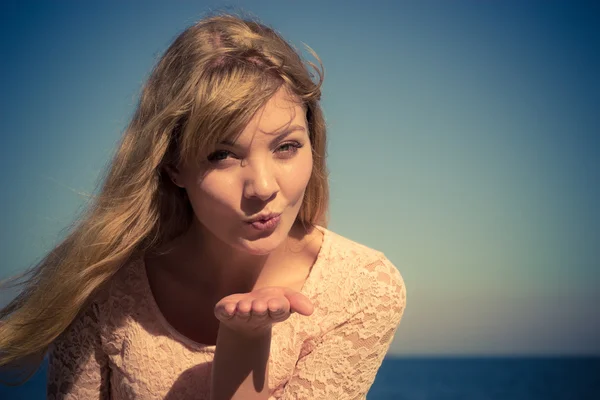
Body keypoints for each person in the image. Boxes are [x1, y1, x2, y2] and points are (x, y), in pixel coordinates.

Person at [0, 12, 407, 399]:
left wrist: (244, 342)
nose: (263, 187)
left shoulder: (363, 288)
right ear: (173, 165)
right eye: (223, 155)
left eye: (287, 147)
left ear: (312, 145)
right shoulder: (103, 288)